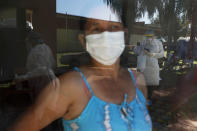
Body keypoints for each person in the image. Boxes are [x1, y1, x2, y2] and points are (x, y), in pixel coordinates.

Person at [10, 5, 152, 131]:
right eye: (96, 29)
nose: (106, 34)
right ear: (83, 41)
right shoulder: (71, 86)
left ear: (124, 35)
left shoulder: (137, 81)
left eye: (114, 27)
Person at [136, 30, 164, 99]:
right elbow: (136, 51)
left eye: (150, 36)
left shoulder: (158, 43)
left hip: (153, 66)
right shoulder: (143, 42)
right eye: (147, 36)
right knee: (143, 84)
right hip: (143, 66)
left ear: (154, 36)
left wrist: (152, 54)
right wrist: (138, 47)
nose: (148, 38)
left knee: (152, 84)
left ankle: (151, 99)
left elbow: (162, 54)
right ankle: (143, 99)